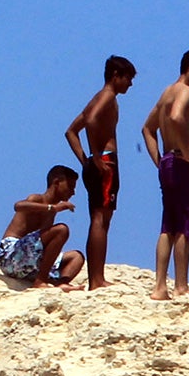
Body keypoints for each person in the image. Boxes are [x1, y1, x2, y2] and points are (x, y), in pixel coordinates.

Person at [142, 47, 189, 300]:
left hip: (169, 163)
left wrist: (160, 161)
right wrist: (186, 153)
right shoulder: (184, 91)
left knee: (167, 226)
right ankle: (181, 285)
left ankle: (159, 286)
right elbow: (175, 117)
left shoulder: (166, 93)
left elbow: (147, 129)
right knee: (186, 223)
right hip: (183, 165)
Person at [64, 55, 136, 289]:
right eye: (128, 78)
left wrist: (85, 160)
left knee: (99, 219)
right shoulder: (107, 97)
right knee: (101, 220)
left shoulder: (97, 98)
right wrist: (95, 157)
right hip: (105, 162)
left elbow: (71, 131)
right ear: (116, 76)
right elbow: (92, 121)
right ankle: (97, 280)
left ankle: (96, 277)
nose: (130, 84)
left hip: (97, 163)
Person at [0, 166, 85, 288]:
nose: (72, 192)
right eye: (70, 186)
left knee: (76, 257)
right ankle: (40, 281)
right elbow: (18, 206)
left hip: (30, 262)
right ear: (57, 182)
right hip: (10, 256)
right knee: (61, 230)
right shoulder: (37, 199)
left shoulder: (52, 211)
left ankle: (61, 283)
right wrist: (52, 208)